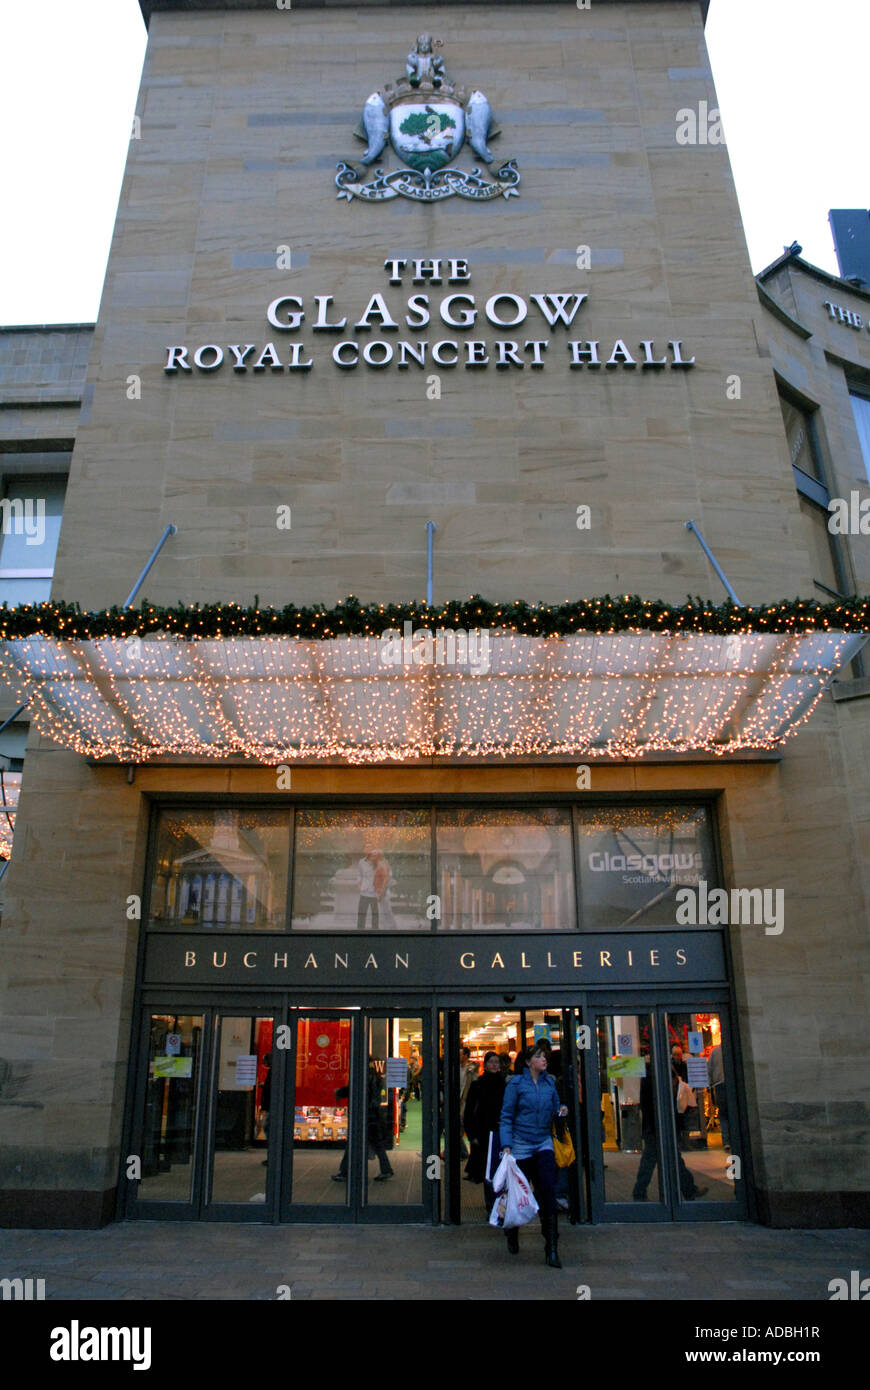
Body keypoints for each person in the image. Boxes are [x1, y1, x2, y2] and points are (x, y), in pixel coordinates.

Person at [499, 1043, 568, 1267]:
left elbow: (557, 1109)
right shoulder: (516, 1085)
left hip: (543, 1142)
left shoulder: (550, 1083)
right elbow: (507, 1115)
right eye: (538, 1057)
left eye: (544, 1056)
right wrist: (507, 1144)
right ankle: (512, 1230)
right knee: (518, 1192)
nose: (543, 1059)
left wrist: (561, 1112)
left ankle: (552, 1247)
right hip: (520, 1143)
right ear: (528, 1062)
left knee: (547, 1190)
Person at [632, 1056, 708, 1201]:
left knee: (663, 1160)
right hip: (658, 1126)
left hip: (655, 1126)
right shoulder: (656, 1076)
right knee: (659, 1160)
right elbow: (653, 1104)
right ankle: (640, 1191)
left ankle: (687, 1189)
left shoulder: (650, 1076)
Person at [463, 1051, 506, 1214]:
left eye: (497, 1062)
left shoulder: (504, 1084)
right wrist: (472, 1134)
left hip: (501, 1131)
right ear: (485, 1065)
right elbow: (469, 1111)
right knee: (488, 1170)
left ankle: (499, 1202)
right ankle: (491, 1203)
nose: (495, 1065)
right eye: (492, 1062)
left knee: (500, 1168)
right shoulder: (478, 1085)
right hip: (484, 1133)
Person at [458, 1045, 477, 1160]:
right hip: (458, 1102)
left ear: (465, 1056)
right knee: (458, 1129)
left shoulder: (471, 1070)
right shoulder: (457, 1068)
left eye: (460, 1054)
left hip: (467, 1103)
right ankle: (463, 1153)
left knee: (463, 1128)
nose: (458, 1056)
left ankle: (463, 1153)